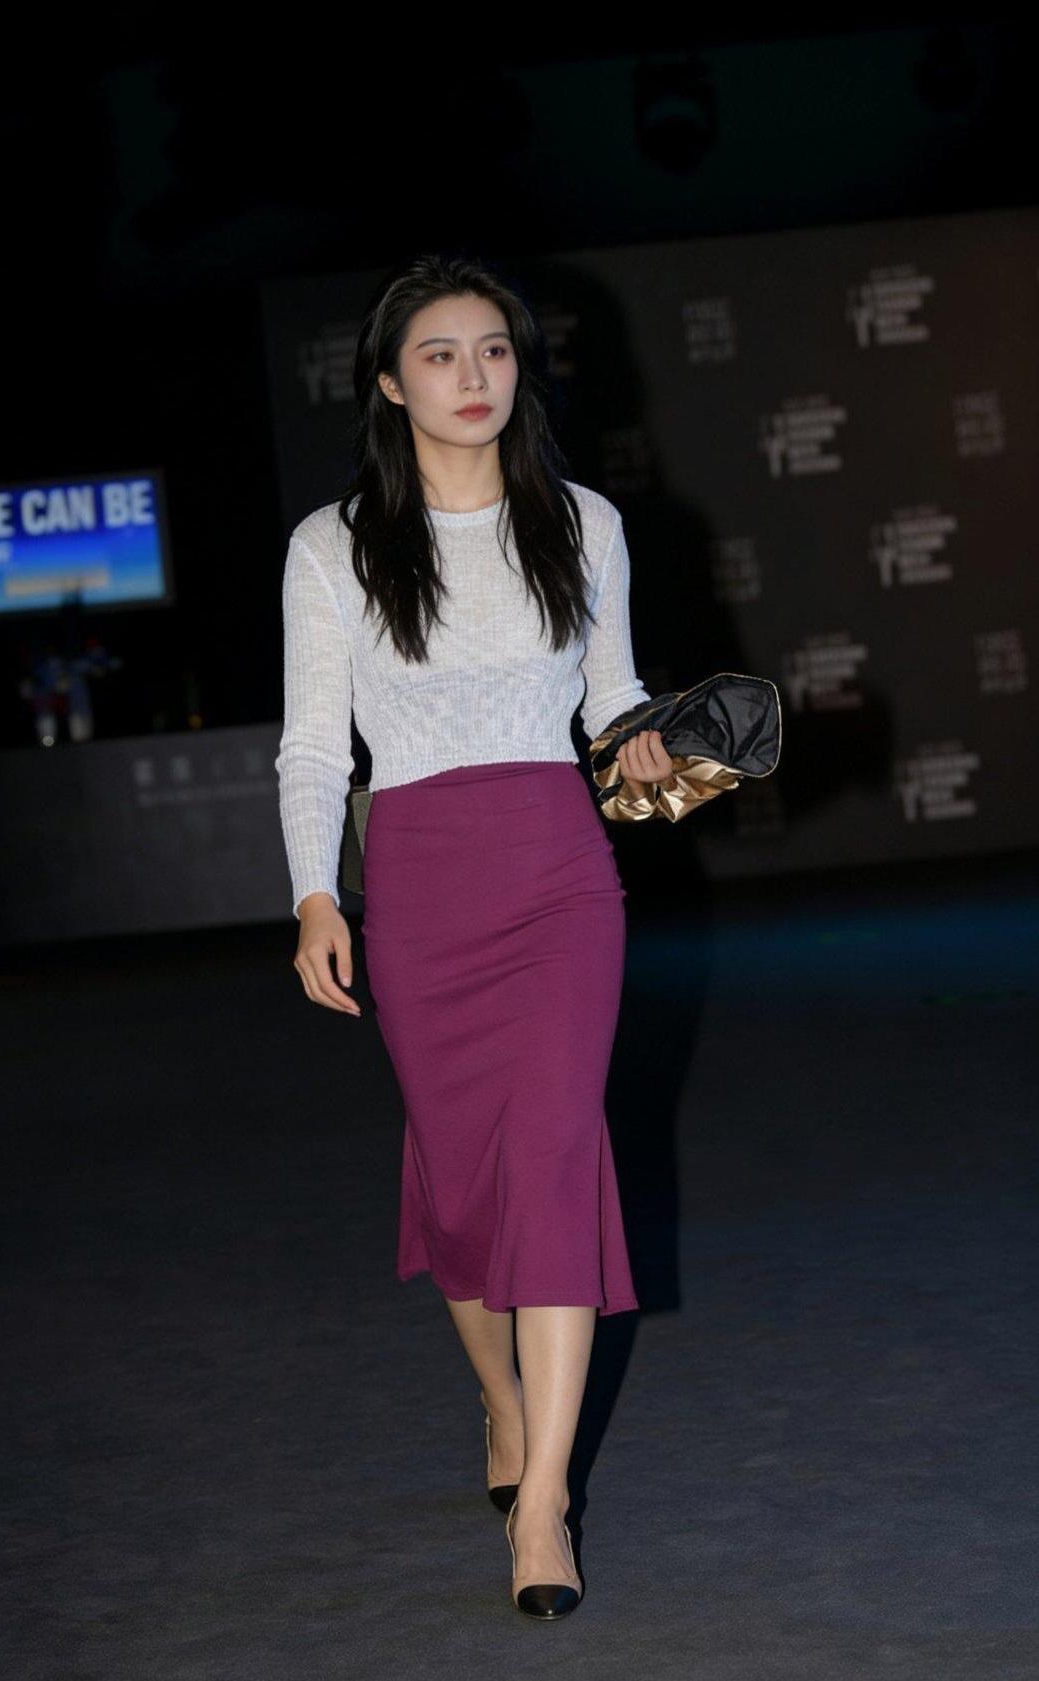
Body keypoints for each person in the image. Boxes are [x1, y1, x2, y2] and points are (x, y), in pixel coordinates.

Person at [274, 252, 673, 1619]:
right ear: (390, 384)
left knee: (556, 1154)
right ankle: (499, 1401)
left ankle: (545, 1499)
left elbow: (611, 702)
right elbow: (314, 748)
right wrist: (315, 895)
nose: (472, 376)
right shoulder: (331, 546)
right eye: (439, 354)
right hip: (421, 884)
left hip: (560, 874)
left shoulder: (583, 522)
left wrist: (649, 746)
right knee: (460, 1187)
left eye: (493, 350)